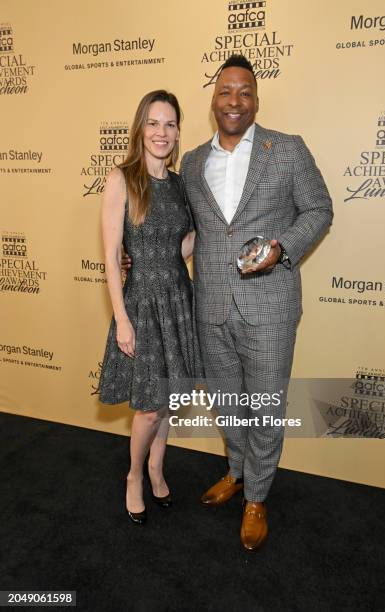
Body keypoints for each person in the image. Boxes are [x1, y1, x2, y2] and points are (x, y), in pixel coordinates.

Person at [124, 54, 333, 550]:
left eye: (244, 91)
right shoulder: (193, 162)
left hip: (271, 308)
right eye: (225, 92)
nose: (234, 100)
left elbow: (320, 209)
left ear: (256, 99)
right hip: (210, 307)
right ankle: (237, 472)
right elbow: (188, 230)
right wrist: (144, 257)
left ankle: (257, 497)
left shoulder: (287, 150)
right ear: (213, 101)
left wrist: (282, 247)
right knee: (228, 404)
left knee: (263, 405)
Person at [98, 90, 203, 525]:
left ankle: (159, 468)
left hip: (179, 298)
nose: (162, 132)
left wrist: (214, 236)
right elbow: (110, 255)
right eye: (154, 123)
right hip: (142, 303)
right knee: (148, 405)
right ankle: (134, 476)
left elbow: (183, 245)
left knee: (168, 400)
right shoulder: (122, 178)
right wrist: (122, 319)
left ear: (178, 132)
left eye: (171, 124)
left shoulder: (180, 184)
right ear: (141, 128)